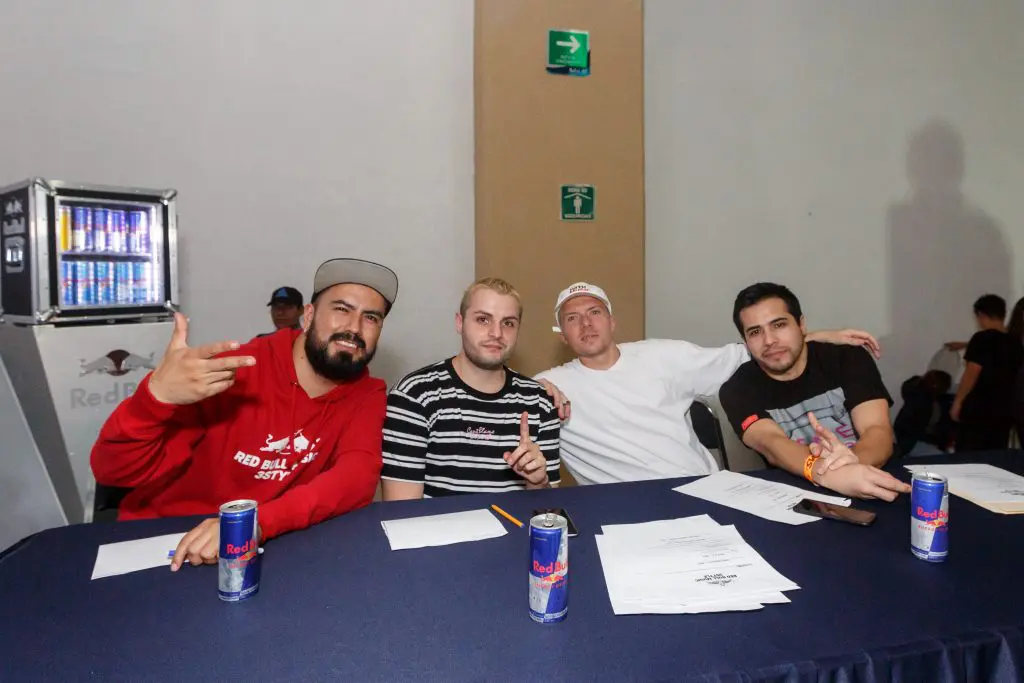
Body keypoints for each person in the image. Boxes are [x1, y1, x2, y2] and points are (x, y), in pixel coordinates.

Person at [91, 258, 399, 568]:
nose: (354, 328)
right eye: (342, 309)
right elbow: (113, 472)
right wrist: (155, 398)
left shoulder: (367, 392)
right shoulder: (234, 370)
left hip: (269, 541)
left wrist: (255, 523)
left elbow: (356, 479)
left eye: (371, 317)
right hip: (169, 539)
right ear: (308, 316)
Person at [534, 281, 880, 486]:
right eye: (572, 318)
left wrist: (815, 336)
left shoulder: (663, 355)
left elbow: (752, 351)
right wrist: (535, 392)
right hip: (621, 504)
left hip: (700, 487)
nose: (586, 324)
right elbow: (506, 396)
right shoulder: (549, 387)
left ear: (612, 321)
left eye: (594, 313)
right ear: (563, 335)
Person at [718, 282, 909, 501]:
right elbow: (771, 444)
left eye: (779, 325)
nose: (769, 340)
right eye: (755, 332)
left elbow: (877, 430)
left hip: (878, 476)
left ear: (801, 325)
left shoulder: (847, 358)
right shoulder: (737, 389)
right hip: (800, 497)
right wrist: (827, 473)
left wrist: (851, 467)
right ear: (745, 342)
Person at [381, 278, 559, 499]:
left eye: (508, 323)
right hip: (437, 523)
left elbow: (548, 511)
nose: (496, 333)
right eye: (483, 320)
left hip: (517, 523)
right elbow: (401, 510)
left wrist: (538, 482)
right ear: (460, 323)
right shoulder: (414, 396)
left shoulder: (540, 402)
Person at [949, 294, 1023, 451]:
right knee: (996, 454)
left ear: (981, 314)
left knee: (969, 454)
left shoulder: (981, 338)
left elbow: (972, 373)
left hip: (979, 408)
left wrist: (958, 402)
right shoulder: (1015, 341)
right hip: (1005, 409)